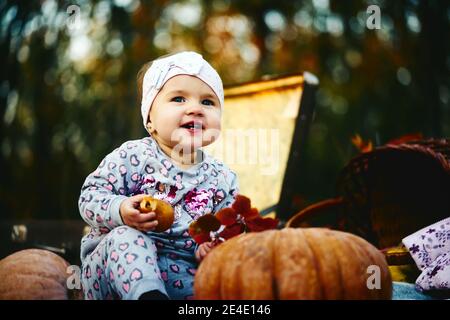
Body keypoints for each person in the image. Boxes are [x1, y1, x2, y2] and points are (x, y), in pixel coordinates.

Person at [78, 51, 239, 300]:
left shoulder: (222, 178)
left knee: (217, 283)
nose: (195, 109)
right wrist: (120, 210)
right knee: (127, 237)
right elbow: (89, 197)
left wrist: (210, 246)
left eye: (208, 102)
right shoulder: (134, 156)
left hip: (183, 274)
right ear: (149, 118)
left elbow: (225, 229)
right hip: (114, 271)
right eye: (178, 99)